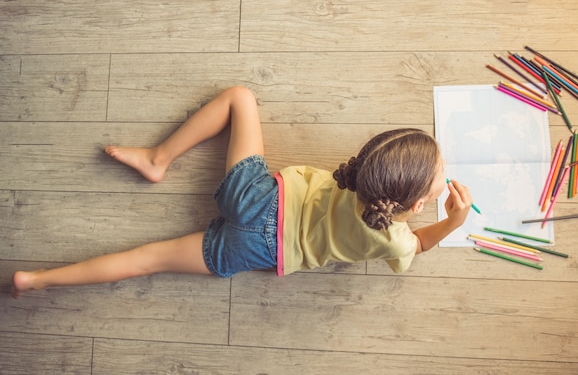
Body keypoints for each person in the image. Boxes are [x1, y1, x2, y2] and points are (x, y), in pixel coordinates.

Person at [11, 86, 472, 298]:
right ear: (414, 206)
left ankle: (159, 159)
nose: (446, 172)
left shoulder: (361, 177)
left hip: (257, 197)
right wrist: (454, 219)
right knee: (148, 259)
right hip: (260, 250)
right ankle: (38, 281)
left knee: (241, 98)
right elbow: (421, 244)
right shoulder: (394, 238)